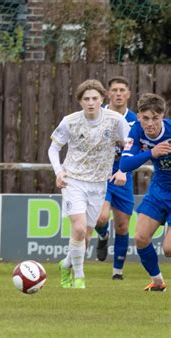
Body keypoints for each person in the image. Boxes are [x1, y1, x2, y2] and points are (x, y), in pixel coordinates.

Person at [48, 79, 130, 289]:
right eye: (86, 99)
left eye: (95, 98)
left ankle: (66, 264)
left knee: (86, 234)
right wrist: (59, 172)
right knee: (79, 229)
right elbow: (53, 148)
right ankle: (79, 277)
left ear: (102, 98)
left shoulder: (115, 120)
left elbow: (129, 145)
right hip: (73, 180)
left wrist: (123, 170)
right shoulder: (70, 121)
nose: (91, 102)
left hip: (99, 183)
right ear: (80, 101)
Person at [120, 93, 171, 292]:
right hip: (158, 191)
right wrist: (152, 152)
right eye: (145, 118)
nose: (150, 123)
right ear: (139, 116)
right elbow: (124, 164)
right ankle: (158, 282)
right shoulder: (136, 131)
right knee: (140, 237)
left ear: (162, 116)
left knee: (168, 250)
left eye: (155, 118)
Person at [94, 76, 138, 280]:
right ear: (108, 94)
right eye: (115, 90)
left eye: (122, 90)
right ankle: (102, 235)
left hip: (123, 175)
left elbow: (138, 148)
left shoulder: (135, 120)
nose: (118, 93)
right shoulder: (97, 115)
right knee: (101, 217)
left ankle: (117, 273)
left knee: (122, 225)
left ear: (128, 94)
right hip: (100, 174)